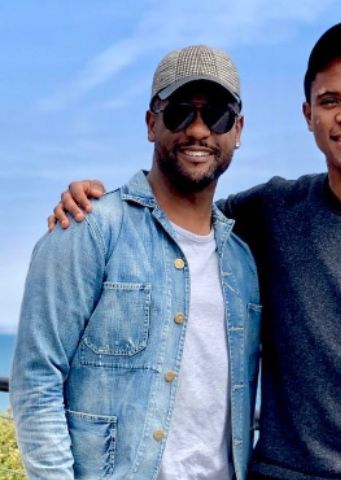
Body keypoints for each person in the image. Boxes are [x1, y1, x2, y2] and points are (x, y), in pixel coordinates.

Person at [49, 23, 341, 480]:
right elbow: (180, 216)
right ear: (307, 113)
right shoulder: (273, 210)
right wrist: (95, 203)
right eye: (331, 100)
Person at [11, 45, 261, 480]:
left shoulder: (243, 262)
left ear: (237, 130)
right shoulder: (89, 228)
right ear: (151, 123)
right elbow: (36, 379)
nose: (198, 130)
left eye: (217, 114)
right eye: (180, 112)